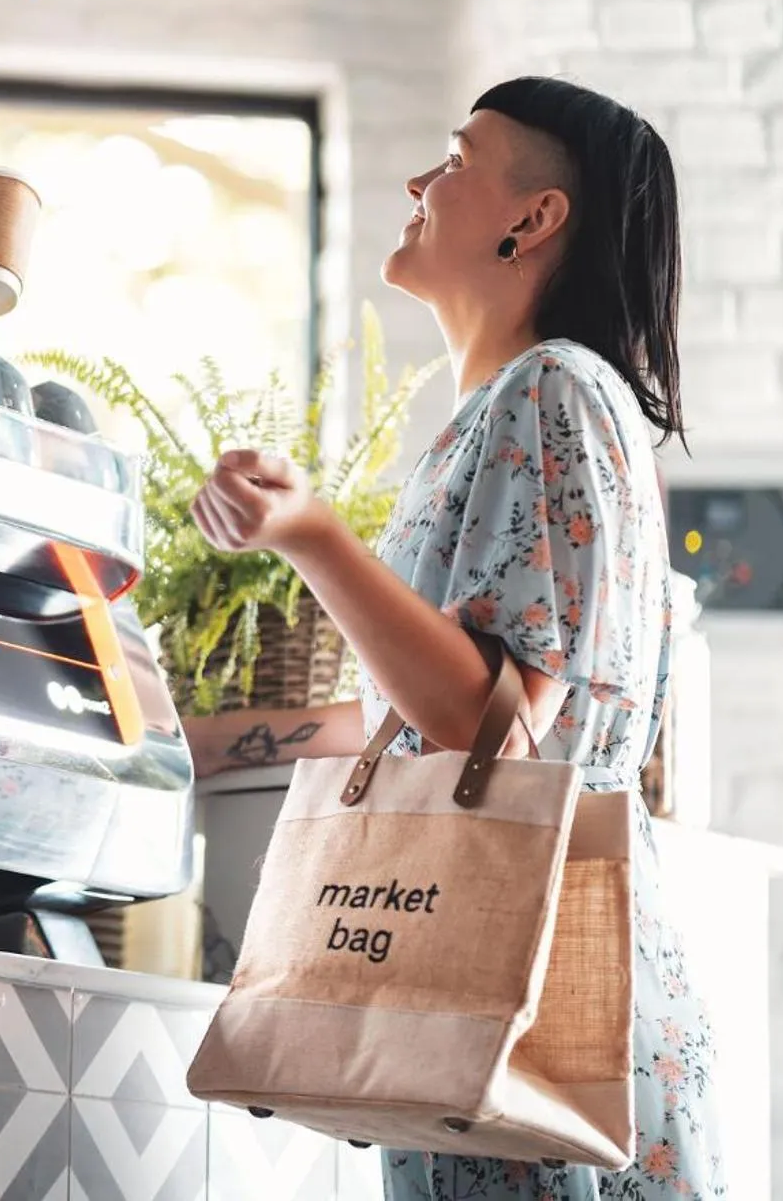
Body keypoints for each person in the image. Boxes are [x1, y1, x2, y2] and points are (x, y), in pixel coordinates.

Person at [184, 76, 724, 1198]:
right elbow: (433, 712)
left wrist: (308, 533)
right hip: (528, 975)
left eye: (454, 159)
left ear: (532, 220)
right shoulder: (525, 408)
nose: (418, 182)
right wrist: (206, 739)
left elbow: (495, 718)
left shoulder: (550, 390)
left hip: (534, 988)